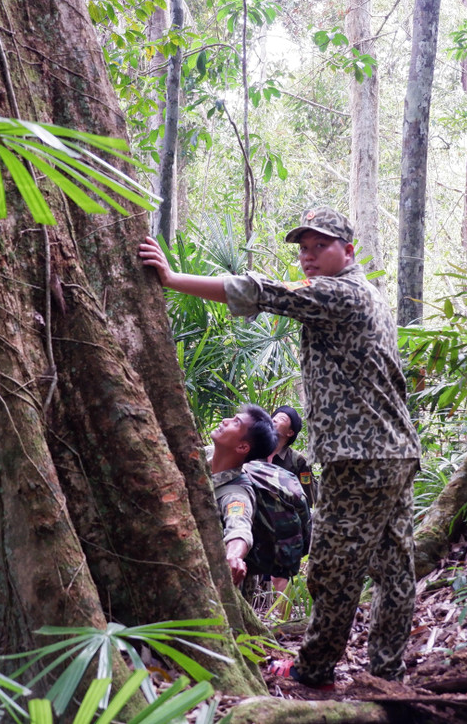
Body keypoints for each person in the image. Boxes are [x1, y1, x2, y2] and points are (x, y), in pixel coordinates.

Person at [140, 206, 420, 688]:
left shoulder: (341, 294)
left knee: (334, 566)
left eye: (320, 246)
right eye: (304, 249)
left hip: (361, 458)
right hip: (392, 450)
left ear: (348, 251)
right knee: (394, 566)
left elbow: (262, 291)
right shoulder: (364, 295)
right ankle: (387, 672)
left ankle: (313, 670)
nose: (309, 257)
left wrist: (170, 278)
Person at [208, 405, 279, 586]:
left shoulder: (236, 493)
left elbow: (239, 528)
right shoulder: (201, 454)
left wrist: (233, 556)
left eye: (235, 422)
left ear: (242, 446)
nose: (225, 421)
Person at [269, 405, 317, 509]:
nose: (274, 420)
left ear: (290, 432)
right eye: (274, 417)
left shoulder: (299, 461)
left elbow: (307, 499)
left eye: (281, 418)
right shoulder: (255, 452)